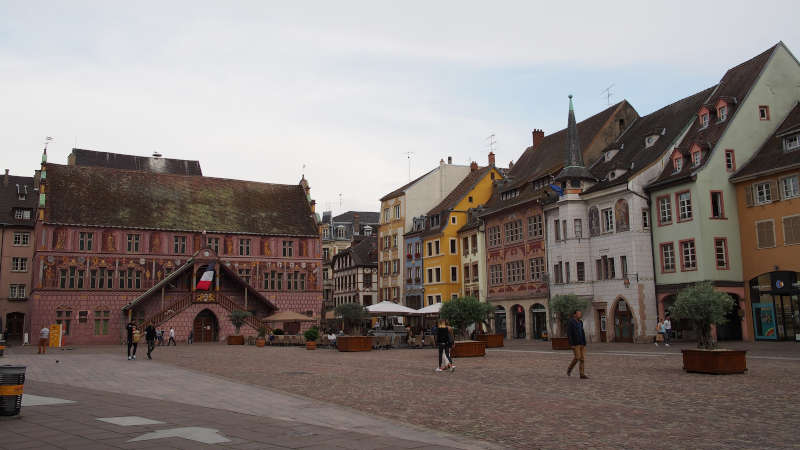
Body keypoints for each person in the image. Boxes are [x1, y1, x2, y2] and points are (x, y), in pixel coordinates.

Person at [566, 310, 588, 379]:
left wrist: (584, 342)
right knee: (577, 357)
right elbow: (569, 333)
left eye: (580, 314)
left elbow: (582, 331)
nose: (580, 315)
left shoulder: (580, 322)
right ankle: (569, 369)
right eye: (578, 314)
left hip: (582, 343)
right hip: (575, 343)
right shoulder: (571, 322)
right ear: (574, 315)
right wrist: (571, 344)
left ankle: (582, 374)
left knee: (582, 359)